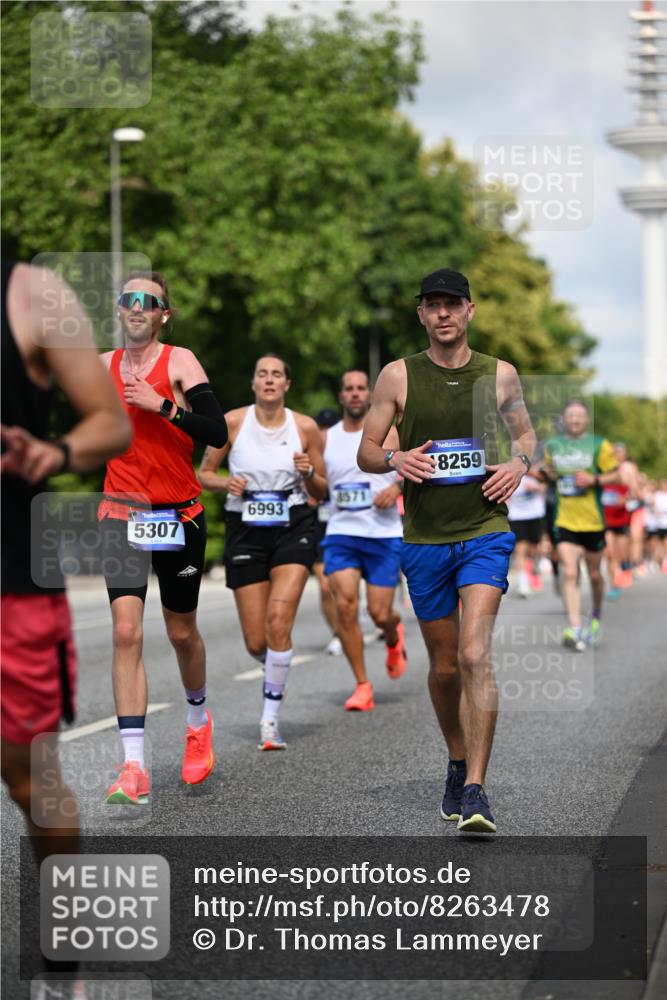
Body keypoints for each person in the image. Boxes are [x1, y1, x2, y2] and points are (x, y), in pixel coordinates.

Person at [358, 268, 536, 834]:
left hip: (485, 530)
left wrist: (518, 464)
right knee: (442, 668)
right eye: (432, 305)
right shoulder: (396, 376)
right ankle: (457, 762)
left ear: (469, 311)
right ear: (421, 315)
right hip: (425, 540)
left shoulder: (499, 375)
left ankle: (478, 791)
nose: (443, 314)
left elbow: (528, 437)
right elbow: (365, 450)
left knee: (474, 654)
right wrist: (394, 460)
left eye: (452, 305)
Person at [1, 261, 131, 854]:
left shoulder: (30, 292)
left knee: (30, 779)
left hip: (12, 584)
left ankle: (61, 939)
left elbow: (110, 424)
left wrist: (54, 453)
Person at [99, 271, 227, 804]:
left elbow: (217, 431)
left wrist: (166, 408)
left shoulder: (179, 361)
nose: (136, 307)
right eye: (128, 299)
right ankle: (133, 766)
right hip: (120, 512)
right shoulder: (100, 366)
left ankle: (198, 721)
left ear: (162, 315)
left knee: (180, 633)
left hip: (179, 514)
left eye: (148, 301)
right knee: (126, 633)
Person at [198, 354, 326, 750]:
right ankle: (276, 665)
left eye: (276, 375)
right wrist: (226, 485)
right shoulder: (233, 422)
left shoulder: (304, 427)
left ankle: (269, 721)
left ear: (287, 384)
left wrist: (307, 473)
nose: (269, 380)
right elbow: (202, 473)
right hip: (246, 530)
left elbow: (322, 491)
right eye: (262, 374)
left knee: (277, 620)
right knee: (257, 641)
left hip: (293, 526)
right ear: (253, 383)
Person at [322, 370, 407, 711]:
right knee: (344, 606)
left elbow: (410, 469)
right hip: (342, 531)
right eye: (349, 389)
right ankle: (362, 684)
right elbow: (315, 480)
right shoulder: (326, 437)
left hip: (383, 533)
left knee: (379, 612)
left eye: (361, 388)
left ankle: (392, 634)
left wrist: (396, 487)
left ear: (370, 395)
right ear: (341, 396)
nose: (355, 394)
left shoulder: (390, 433)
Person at [541, 400, 619, 651]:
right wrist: (546, 473)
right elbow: (549, 473)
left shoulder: (599, 445)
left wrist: (594, 479)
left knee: (595, 575)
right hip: (564, 519)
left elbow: (617, 474)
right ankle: (574, 626)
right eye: (570, 415)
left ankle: (595, 614)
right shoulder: (553, 445)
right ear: (563, 419)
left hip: (593, 520)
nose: (575, 420)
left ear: (586, 419)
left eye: (579, 416)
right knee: (571, 572)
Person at [311, 407, 342, 655]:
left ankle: (358, 614)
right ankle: (337, 633)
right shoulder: (307, 454)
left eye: (330, 429)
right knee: (324, 585)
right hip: (318, 528)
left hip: (347, 526)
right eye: (321, 429)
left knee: (345, 586)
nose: (325, 434)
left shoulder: (348, 452)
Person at [507, 469, 547, 597]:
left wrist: (535, 487)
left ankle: (532, 571)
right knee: (520, 549)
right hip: (517, 516)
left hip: (535, 515)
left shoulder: (536, 473)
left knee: (533, 550)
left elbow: (547, 486)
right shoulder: (511, 472)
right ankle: (523, 582)